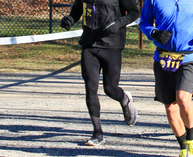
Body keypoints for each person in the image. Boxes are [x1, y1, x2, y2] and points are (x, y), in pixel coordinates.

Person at [139, 0, 193, 156]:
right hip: (164, 57)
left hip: (191, 55)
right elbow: (144, 22)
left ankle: (192, 141)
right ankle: (183, 148)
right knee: (171, 108)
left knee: (183, 98)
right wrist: (154, 33)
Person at [60, 0, 140, 146]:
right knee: (90, 88)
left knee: (110, 89)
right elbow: (78, 8)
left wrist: (119, 23)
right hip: (89, 45)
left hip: (112, 45)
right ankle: (98, 132)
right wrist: (70, 19)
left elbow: (135, 12)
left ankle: (124, 100)